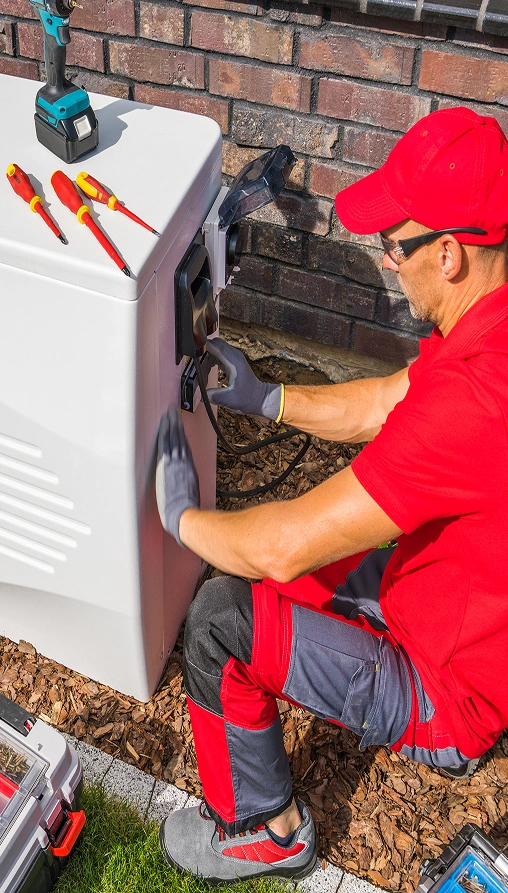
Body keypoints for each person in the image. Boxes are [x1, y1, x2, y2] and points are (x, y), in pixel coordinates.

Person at [155, 106, 508, 884]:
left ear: (449, 254)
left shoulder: (479, 400)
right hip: (438, 604)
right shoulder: (489, 324)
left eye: (395, 244)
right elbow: (387, 401)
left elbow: (283, 545)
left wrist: (180, 518)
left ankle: (263, 831)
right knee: (261, 579)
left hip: (443, 687)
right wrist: (268, 398)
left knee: (220, 621)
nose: (385, 260)